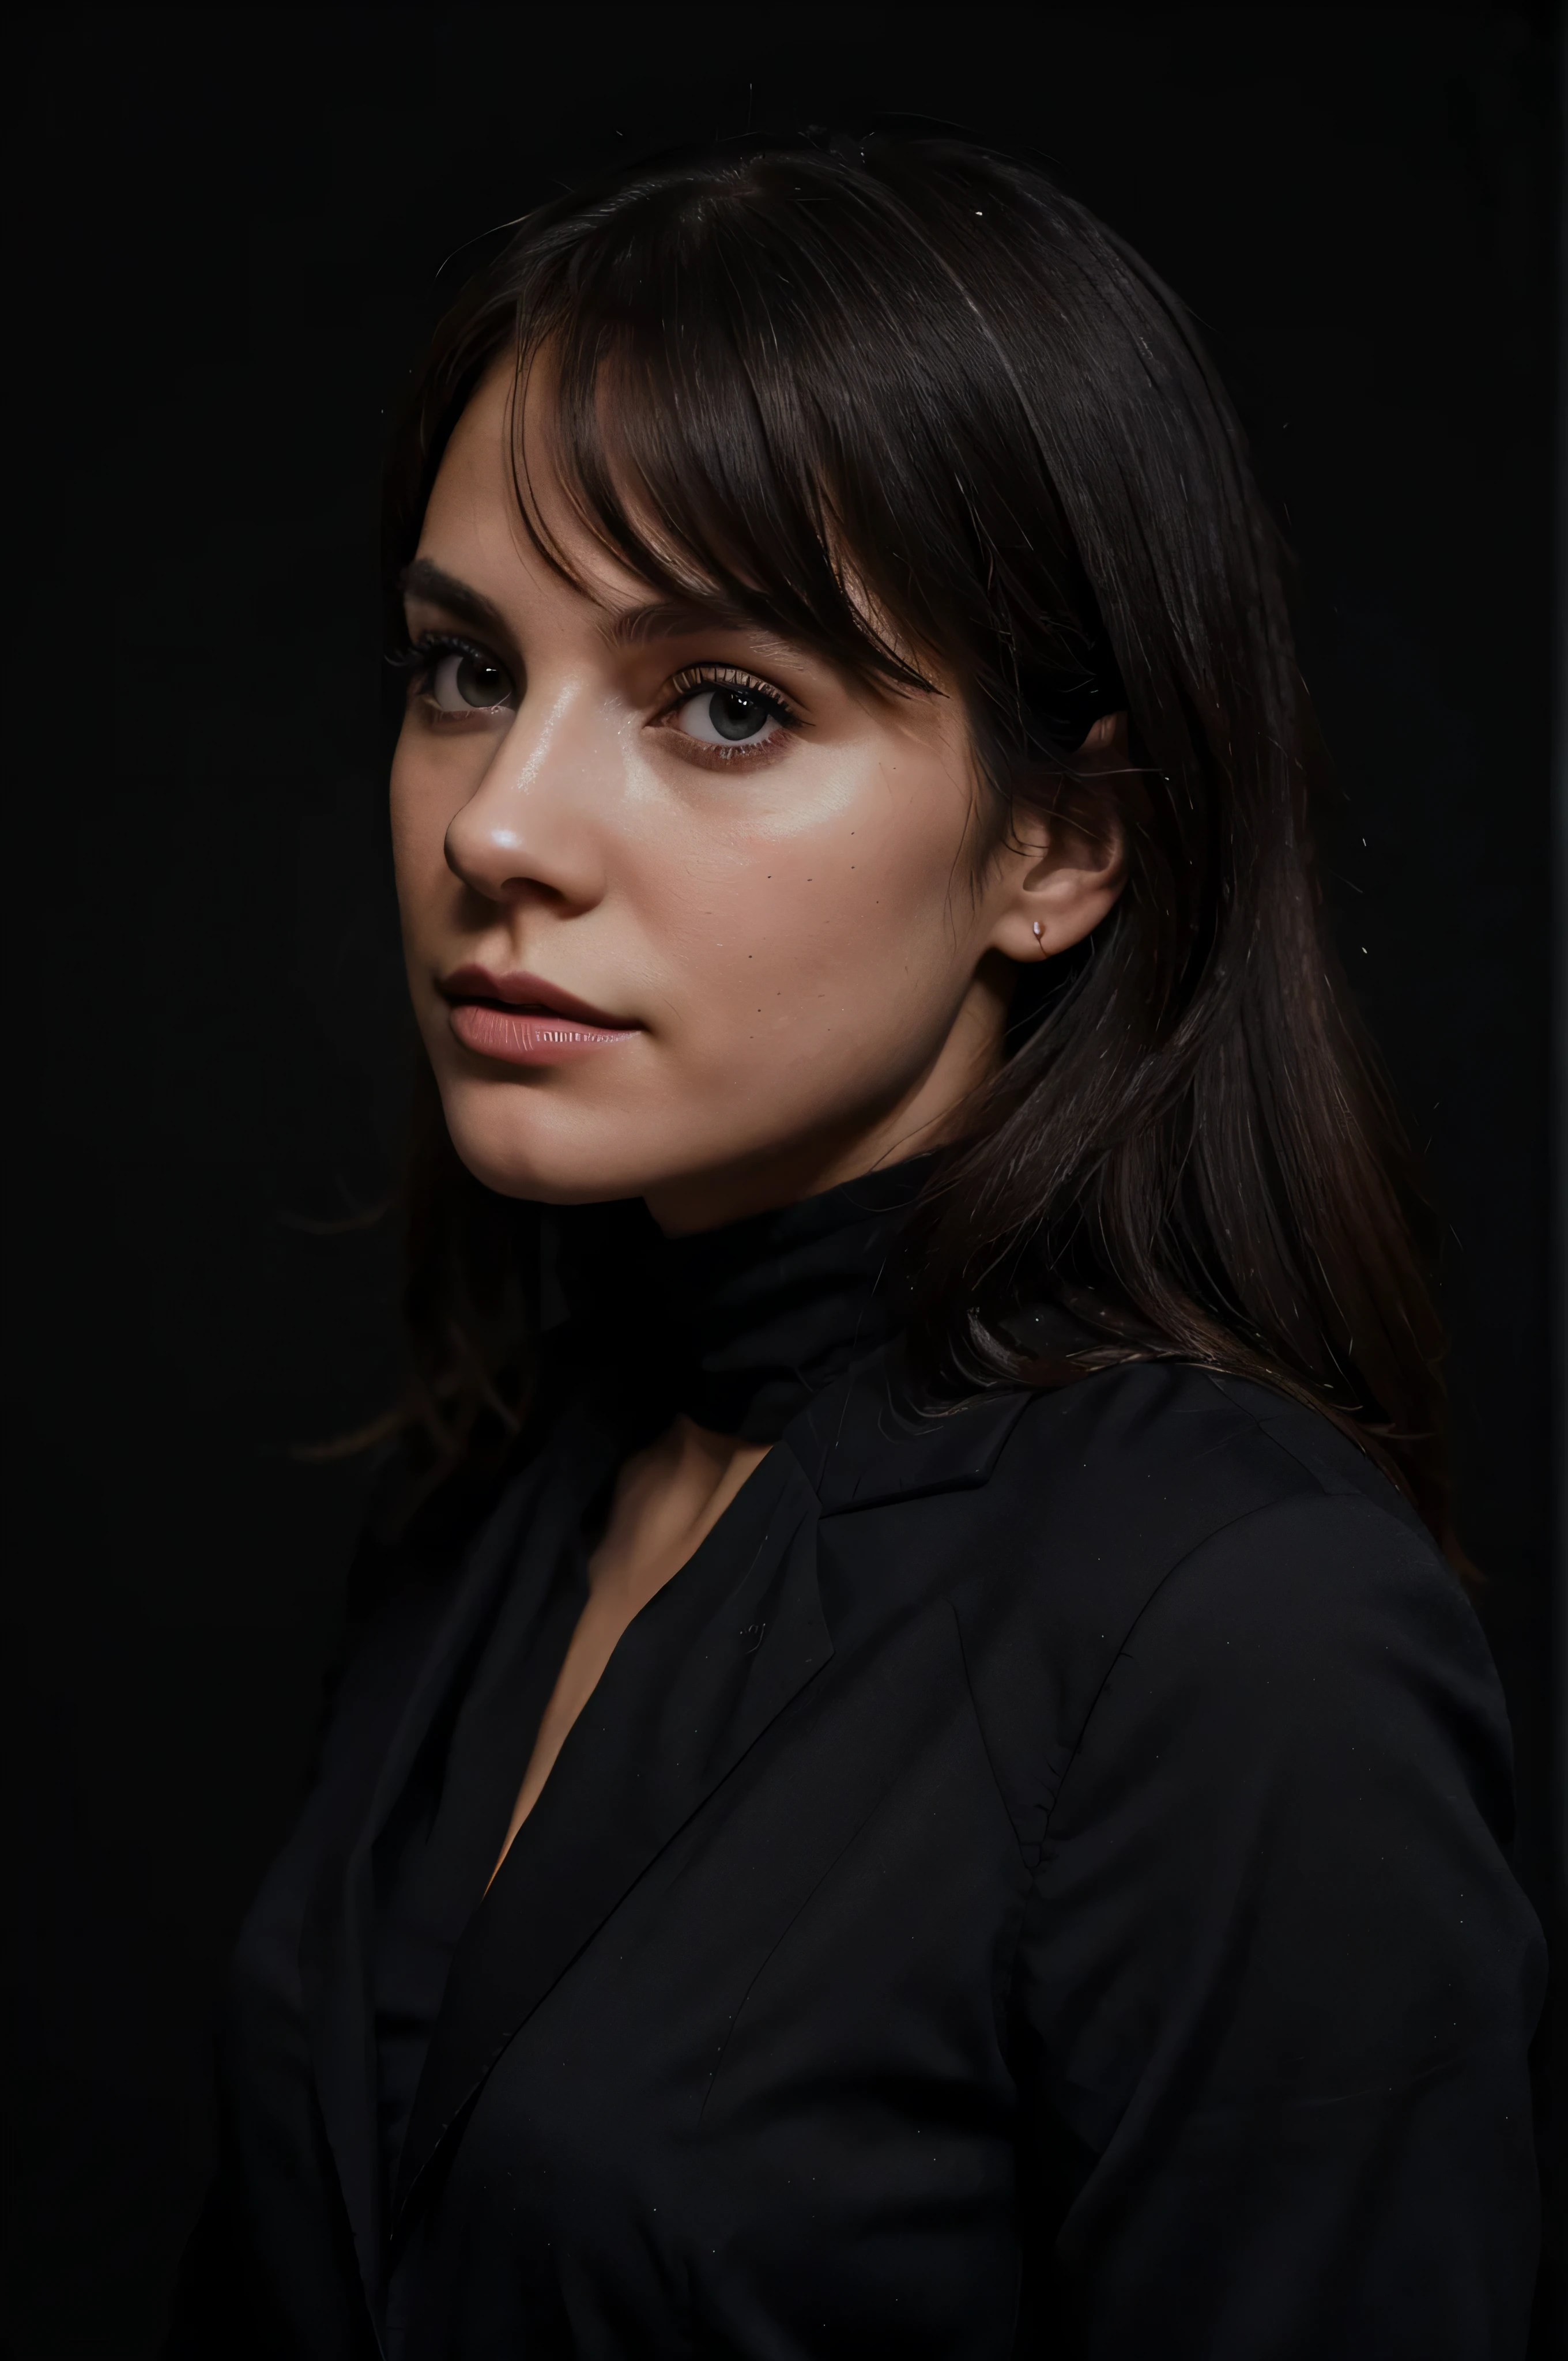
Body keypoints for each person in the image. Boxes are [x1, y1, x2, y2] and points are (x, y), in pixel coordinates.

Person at [168, 130, 1544, 2359]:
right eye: (459, 669)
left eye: (727, 705)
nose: (502, 824)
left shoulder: (1235, 1639)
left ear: (1061, 850)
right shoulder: (503, 1495)